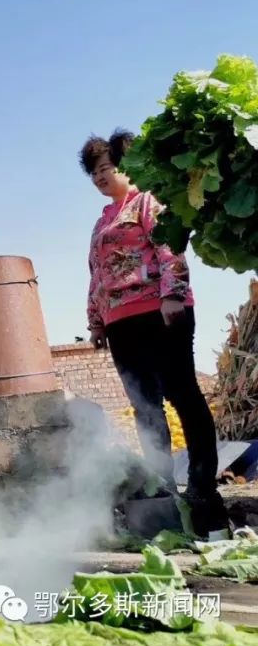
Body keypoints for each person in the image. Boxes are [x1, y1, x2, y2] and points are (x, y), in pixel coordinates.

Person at [81, 129, 229, 539]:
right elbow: (97, 275)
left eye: (107, 168)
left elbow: (169, 248)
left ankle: (202, 489)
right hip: (120, 322)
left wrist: (174, 295)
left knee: (183, 394)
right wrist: (96, 320)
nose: (100, 177)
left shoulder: (148, 202)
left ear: (126, 167)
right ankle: (163, 490)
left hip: (160, 312)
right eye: (94, 172)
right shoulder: (101, 223)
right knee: (145, 408)